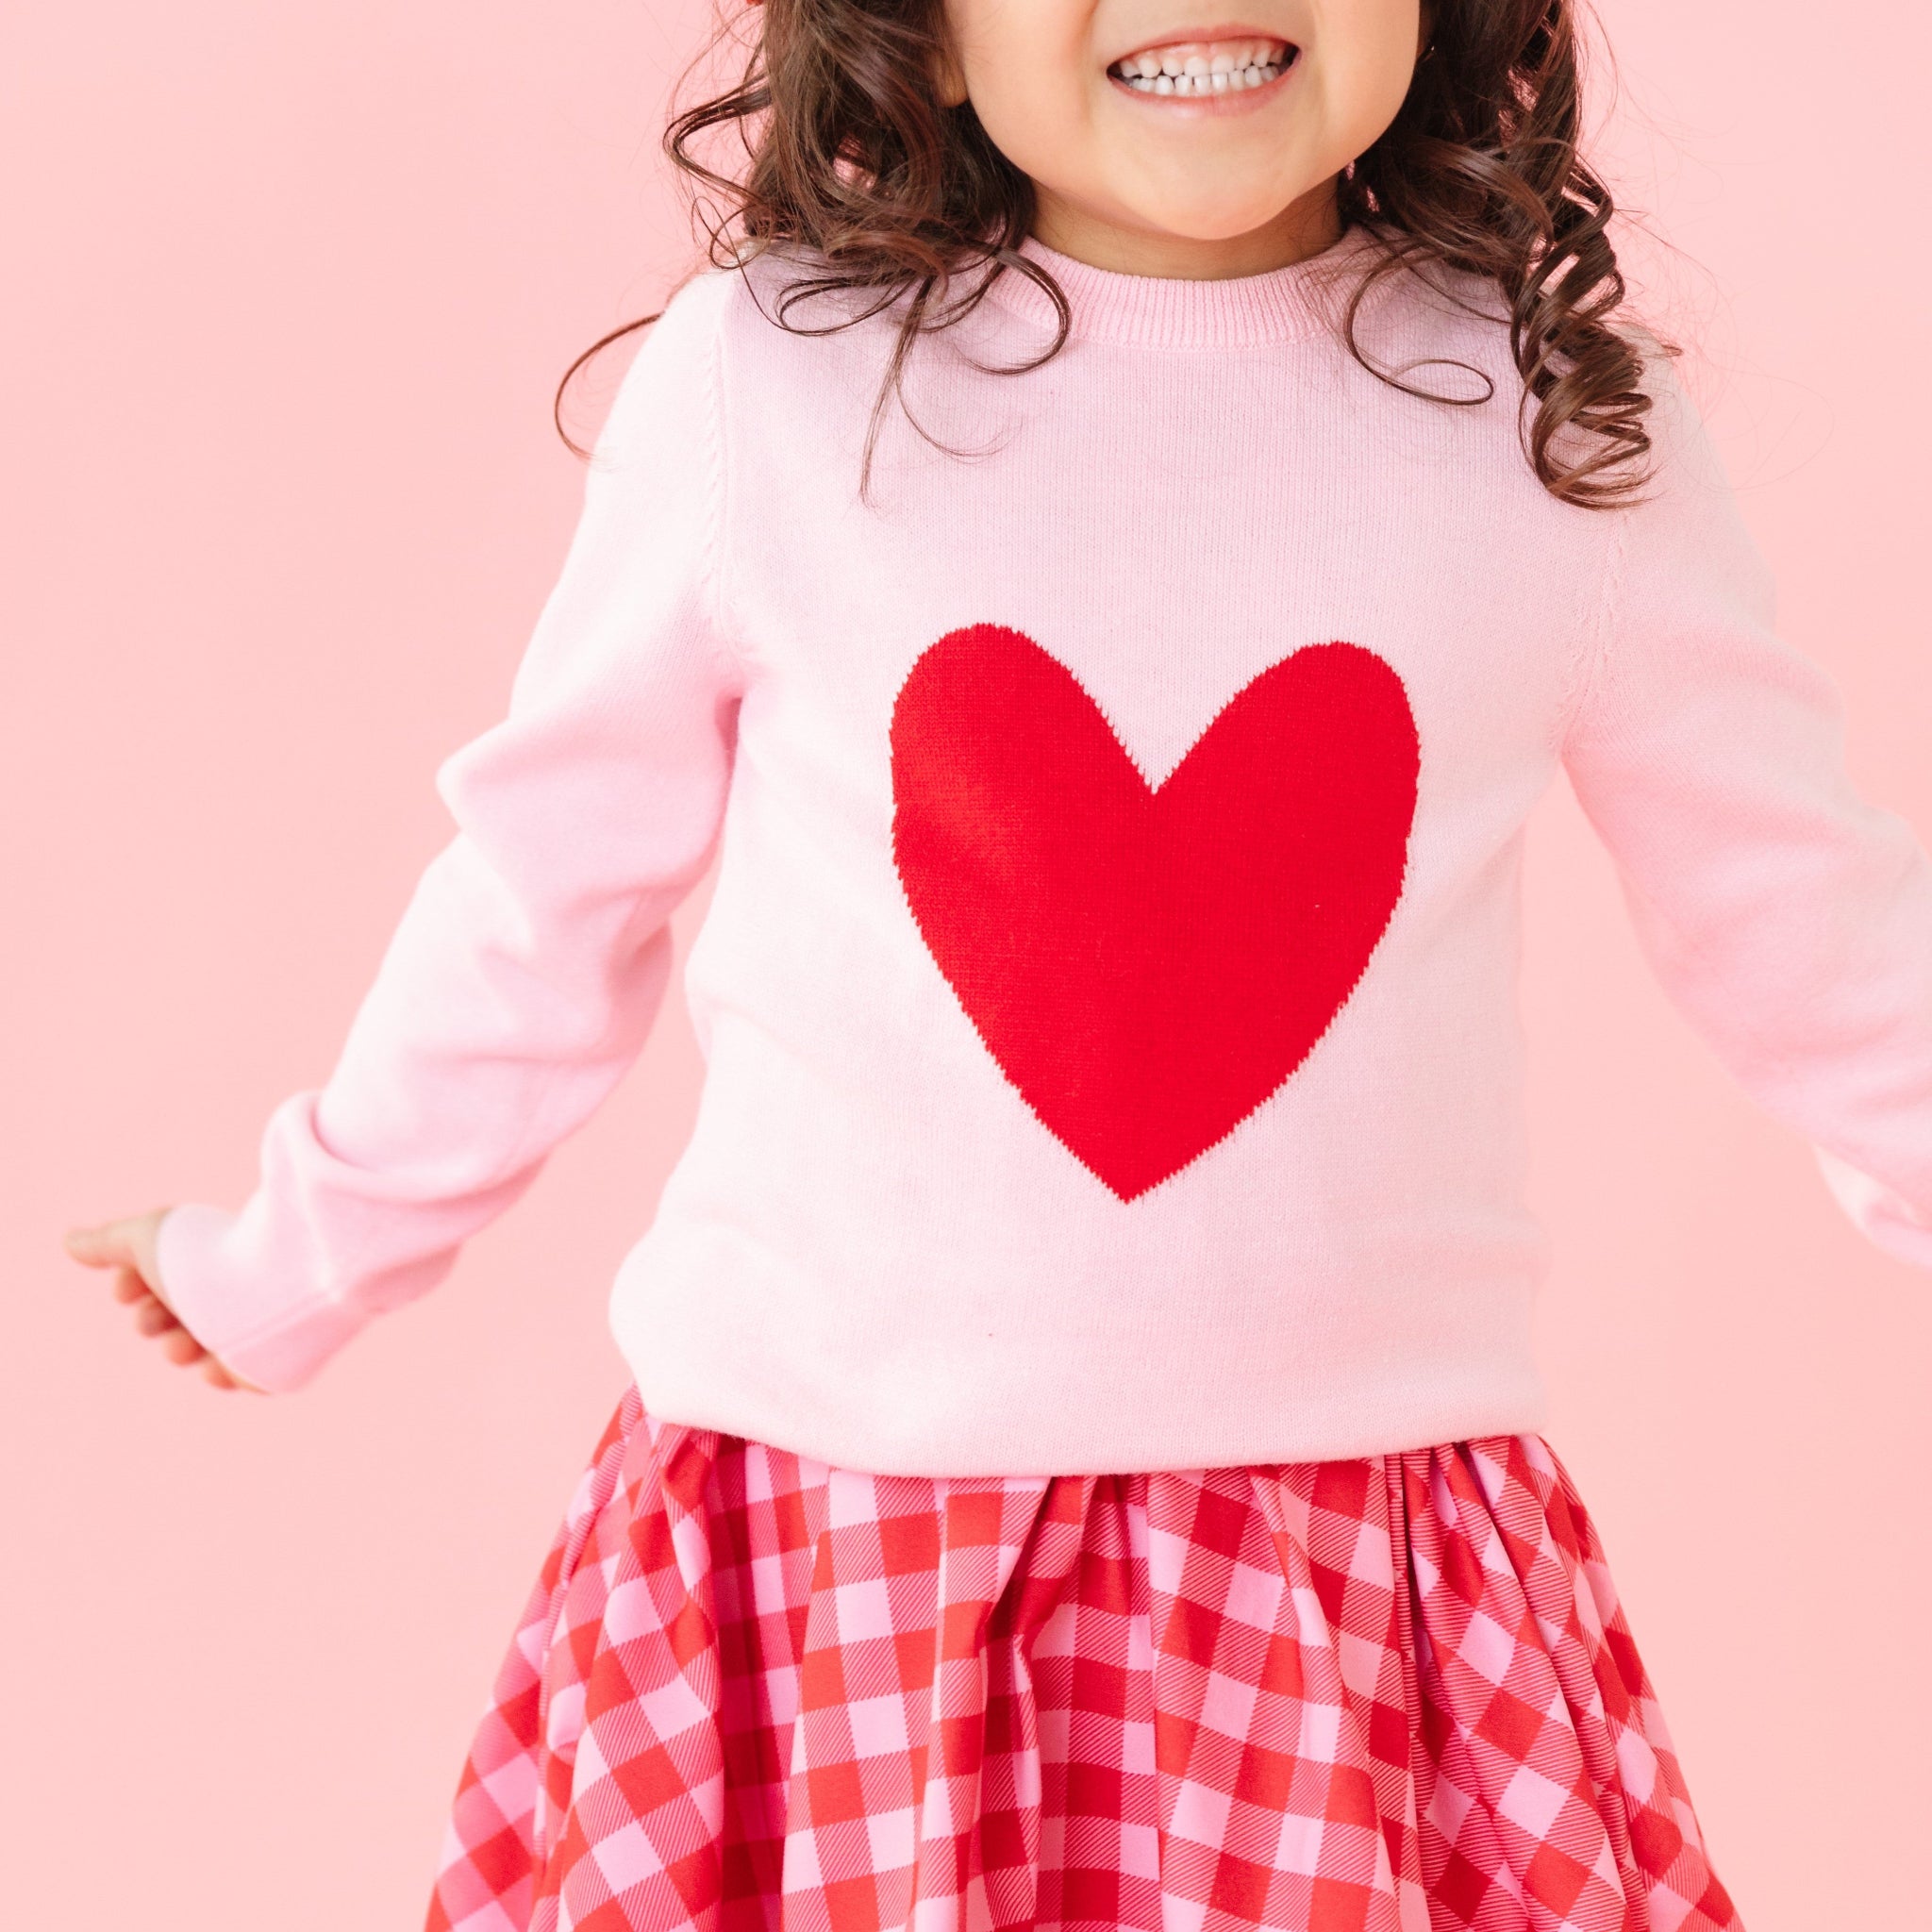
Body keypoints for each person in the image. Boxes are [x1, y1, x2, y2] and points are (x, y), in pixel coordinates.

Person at [62, 0, 1932, 1925]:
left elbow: (1801, 915)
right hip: (820, 1549)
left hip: (1351, 1576)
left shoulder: (1544, 416)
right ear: (923, 35)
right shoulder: (772, 387)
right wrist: (299, 1247)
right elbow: (545, 886)